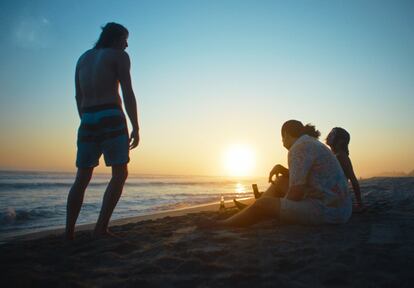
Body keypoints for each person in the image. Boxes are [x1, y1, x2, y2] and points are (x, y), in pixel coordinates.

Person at [65, 23, 140, 240]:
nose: (126, 45)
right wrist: (136, 125)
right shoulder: (119, 56)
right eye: (125, 39)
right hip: (111, 115)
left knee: (82, 177)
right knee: (119, 173)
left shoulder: (83, 58)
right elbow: (127, 92)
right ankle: (100, 229)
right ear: (116, 39)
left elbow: (78, 96)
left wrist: (87, 120)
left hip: (87, 118)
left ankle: (69, 233)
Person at [213, 120, 351, 228]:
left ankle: (223, 224)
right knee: (280, 182)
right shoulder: (310, 142)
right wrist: (283, 171)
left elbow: (295, 194)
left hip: (329, 211)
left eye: (282, 137)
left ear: (285, 134)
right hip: (340, 206)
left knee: (263, 204)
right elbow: (309, 176)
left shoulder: (298, 148)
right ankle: (252, 209)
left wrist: (273, 207)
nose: (282, 141)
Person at [326, 127, 363, 212]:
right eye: (330, 133)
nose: (329, 136)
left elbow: (353, 180)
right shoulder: (332, 154)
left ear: (341, 141)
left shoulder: (341, 156)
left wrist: (359, 204)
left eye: (333, 134)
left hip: (335, 198)